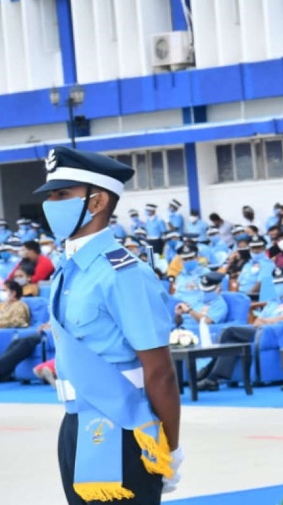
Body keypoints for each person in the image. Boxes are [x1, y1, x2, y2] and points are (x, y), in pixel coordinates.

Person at [35, 147, 182, 502]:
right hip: (74, 422)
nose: (51, 203)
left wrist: (171, 449)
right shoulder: (67, 269)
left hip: (124, 426)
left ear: (97, 201)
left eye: (62, 195)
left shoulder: (123, 273)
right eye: (51, 195)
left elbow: (159, 371)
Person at [195, 267, 283, 392]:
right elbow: (258, 321)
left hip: (275, 333)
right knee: (232, 343)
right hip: (260, 331)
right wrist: (265, 321)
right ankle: (213, 379)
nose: (279, 286)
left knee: (229, 331)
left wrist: (266, 321)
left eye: (282, 283)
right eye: (276, 283)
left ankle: (208, 367)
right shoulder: (273, 302)